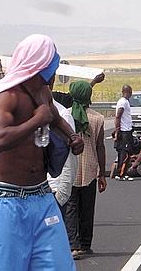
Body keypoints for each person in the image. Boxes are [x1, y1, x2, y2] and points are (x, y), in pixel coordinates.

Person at [0, 34, 84, 270]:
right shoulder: (7, 96)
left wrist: (71, 137)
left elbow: (53, 118)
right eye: (53, 65)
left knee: (60, 266)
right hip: (8, 200)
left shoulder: (43, 93)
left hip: (42, 196)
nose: (54, 72)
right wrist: (36, 121)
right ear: (40, 65)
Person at [65, 80, 107, 260]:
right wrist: (102, 173)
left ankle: (72, 245)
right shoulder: (97, 118)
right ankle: (85, 244)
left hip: (69, 168)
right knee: (87, 208)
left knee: (71, 207)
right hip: (90, 169)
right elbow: (100, 147)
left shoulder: (65, 116)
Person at [47, 77, 78, 218]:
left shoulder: (62, 115)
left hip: (53, 191)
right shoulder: (22, 112)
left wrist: (61, 195)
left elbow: (69, 160)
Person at [114, 85, 133, 179]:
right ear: (126, 91)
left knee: (126, 152)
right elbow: (118, 116)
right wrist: (118, 130)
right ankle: (121, 174)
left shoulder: (126, 102)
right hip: (124, 131)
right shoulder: (123, 102)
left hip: (127, 130)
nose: (131, 94)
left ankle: (122, 172)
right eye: (130, 92)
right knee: (124, 153)